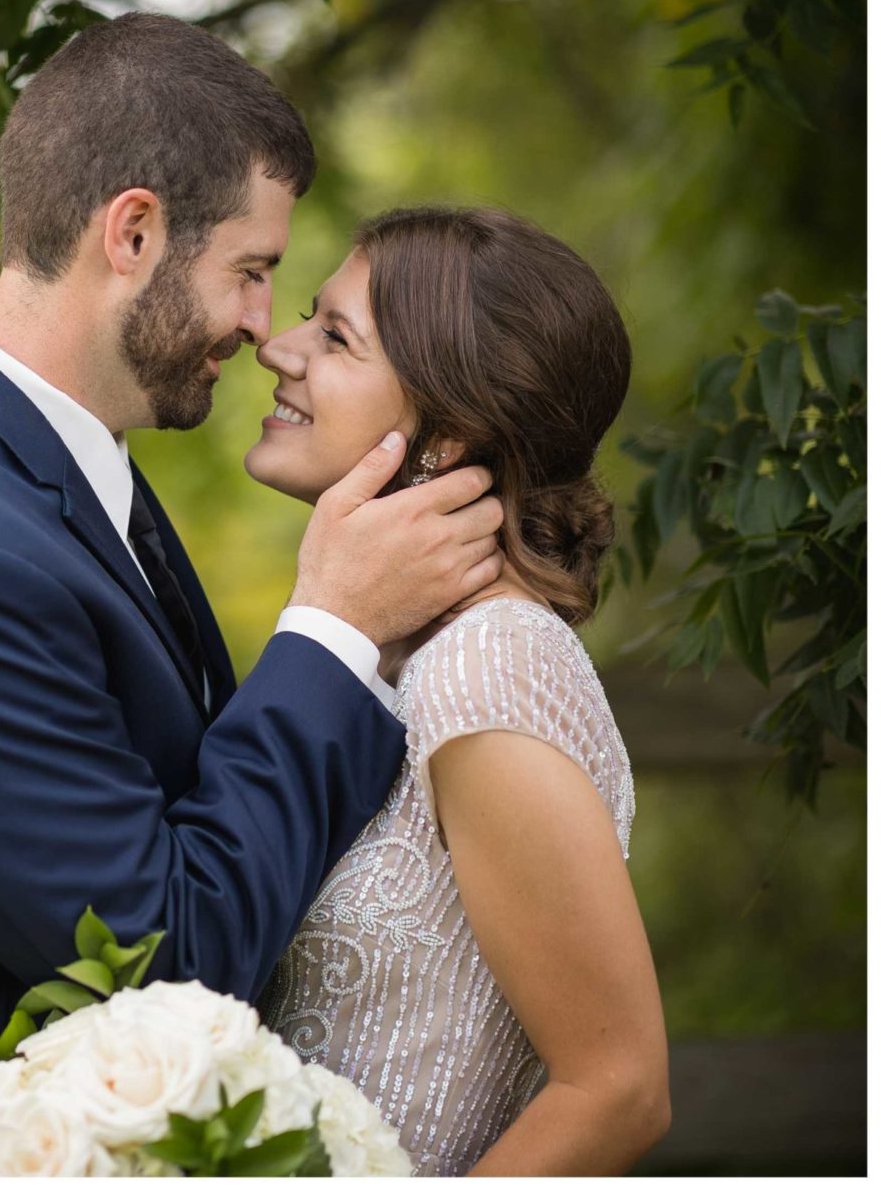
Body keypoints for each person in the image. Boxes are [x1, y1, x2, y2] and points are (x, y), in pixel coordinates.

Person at [0, 12, 506, 1176]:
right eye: (250, 272)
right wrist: (335, 625)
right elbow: (165, 958)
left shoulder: (52, 475)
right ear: (135, 233)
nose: (263, 328)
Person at [250, 206, 670, 1175]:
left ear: (453, 429)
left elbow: (618, 1088)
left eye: (335, 335)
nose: (278, 347)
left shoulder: (490, 666)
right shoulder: (405, 653)